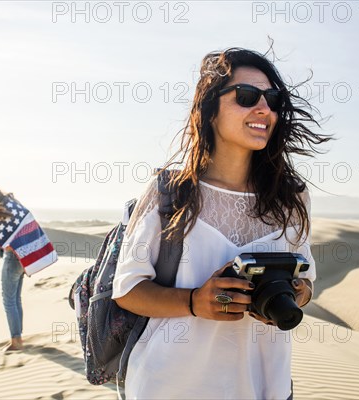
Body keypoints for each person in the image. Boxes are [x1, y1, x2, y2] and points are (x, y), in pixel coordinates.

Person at [112, 47, 333, 399]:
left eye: (272, 99)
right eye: (246, 96)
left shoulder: (292, 196)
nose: (264, 108)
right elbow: (127, 290)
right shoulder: (170, 192)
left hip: (265, 385)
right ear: (210, 108)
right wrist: (195, 302)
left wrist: (292, 294)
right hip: (171, 385)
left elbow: (305, 284)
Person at [0, 184, 57, 352]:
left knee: (9, 300)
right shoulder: (14, 204)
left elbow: (5, 238)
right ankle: (18, 336)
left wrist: (11, 246)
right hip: (23, 256)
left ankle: (16, 341)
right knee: (15, 298)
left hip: (12, 257)